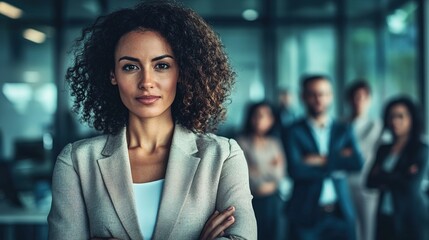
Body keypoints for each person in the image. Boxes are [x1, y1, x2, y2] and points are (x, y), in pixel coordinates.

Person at [47, 2, 257, 240]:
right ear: (112, 75)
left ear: (181, 72)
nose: (146, 81)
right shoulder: (76, 162)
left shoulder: (223, 156)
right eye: (130, 67)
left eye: (162, 66)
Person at [283, 75, 364, 240]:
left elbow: (356, 163)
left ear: (331, 96)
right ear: (303, 97)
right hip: (305, 215)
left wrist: (320, 160)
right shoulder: (292, 131)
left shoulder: (343, 129)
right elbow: (295, 170)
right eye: (313, 94)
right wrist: (338, 162)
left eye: (323, 93)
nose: (319, 99)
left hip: (340, 212)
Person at [366, 96, 429, 240]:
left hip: (411, 217)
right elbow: (369, 182)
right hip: (385, 215)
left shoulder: (420, 149)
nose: (395, 121)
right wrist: (401, 174)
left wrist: (382, 175)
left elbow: (410, 185)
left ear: (412, 118)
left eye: (400, 116)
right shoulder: (384, 149)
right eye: (391, 116)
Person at [236, 101, 286, 240]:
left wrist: (258, 167)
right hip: (251, 201)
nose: (260, 120)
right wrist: (270, 166)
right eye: (256, 115)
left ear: (272, 120)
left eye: (265, 116)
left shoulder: (274, 143)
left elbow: (280, 174)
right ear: (250, 118)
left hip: (273, 201)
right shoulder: (241, 142)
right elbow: (248, 177)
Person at [345, 80, 383, 240]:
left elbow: (363, 154)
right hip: (345, 183)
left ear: (369, 100)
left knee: (368, 228)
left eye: (363, 97)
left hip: (367, 184)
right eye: (355, 97)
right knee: (350, 227)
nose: (358, 101)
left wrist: (348, 153)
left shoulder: (376, 125)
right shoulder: (342, 124)